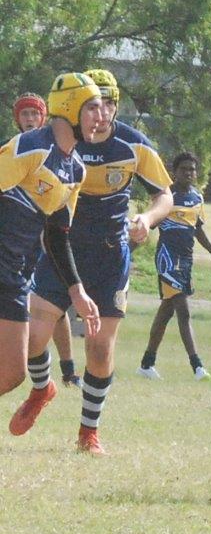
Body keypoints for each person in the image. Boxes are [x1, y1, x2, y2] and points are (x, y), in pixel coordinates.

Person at [9, 69, 173, 455]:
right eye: (93, 106)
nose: (101, 114)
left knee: (99, 348)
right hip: (59, 251)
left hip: (109, 256)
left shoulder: (134, 145)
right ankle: (41, 389)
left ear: (115, 106)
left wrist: (147, 219)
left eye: (108, 105)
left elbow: (165, 195)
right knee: (32, 338)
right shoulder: (62, 141)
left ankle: (88, 432)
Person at [0, 73, 102, 406]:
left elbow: (57, 235)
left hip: (16, 275)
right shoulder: (29, 147)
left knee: (11, 373)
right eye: (92, 108)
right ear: (70, 108)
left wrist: (77, 290)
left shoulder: (76, 171)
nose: (101, 117)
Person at [12, 93, 83, 388]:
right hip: (15, 248)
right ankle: (44, 385)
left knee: (54, 309)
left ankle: (68, 370)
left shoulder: (65, 159)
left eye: (35, 114)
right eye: (24, 114)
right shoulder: (14, 150)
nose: (30, 119)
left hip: (44, 247)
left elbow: (59, 217)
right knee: (27, 318)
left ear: (44, 118)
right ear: (17, 119)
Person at [137, 153, 211, 381]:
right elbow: (149, 225)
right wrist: (128, 248)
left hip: (186, 259)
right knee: (183, 310)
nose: (189, 173)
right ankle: (197, 366)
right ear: (174, 172)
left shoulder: (197, 197)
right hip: (168, 258)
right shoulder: (166, 197)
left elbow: (198, 230)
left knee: (166, 311)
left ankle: (147, 364)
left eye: (192, 169)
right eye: (184, 169)